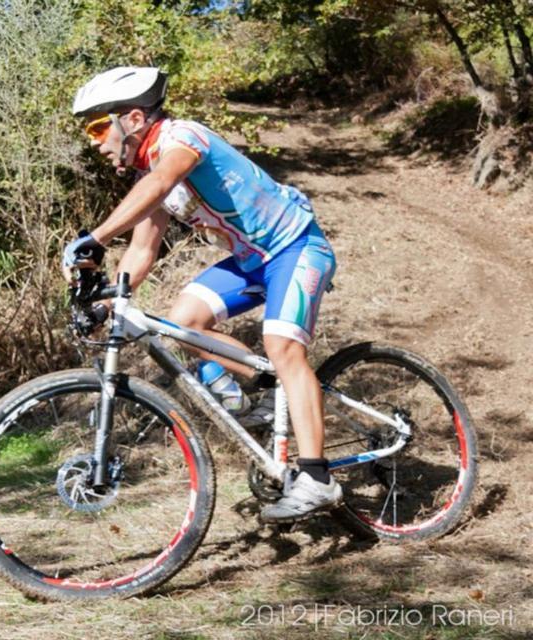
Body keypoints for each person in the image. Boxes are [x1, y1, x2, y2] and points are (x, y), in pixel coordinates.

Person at [62, 66, 340, 522]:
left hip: (296, 247)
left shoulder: (183, 139)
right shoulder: (149, 179)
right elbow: (142, 252)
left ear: (133, 119)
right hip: (253, 262)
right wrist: (106, 303)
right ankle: (272, 393)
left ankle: (317, 478)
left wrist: (95, 237)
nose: (95, 141)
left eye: (98, 127)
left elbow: (163, 181)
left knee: (282, 346)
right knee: (185, 322)